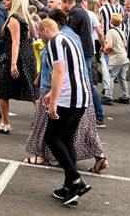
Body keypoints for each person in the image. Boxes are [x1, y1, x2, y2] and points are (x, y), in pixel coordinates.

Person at [37, 18, 93, 205]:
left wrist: (53, 102)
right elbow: (69, 71)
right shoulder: (69, 38)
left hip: (68, 99)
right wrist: (52, 94)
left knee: (51, 138)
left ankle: (76, 180)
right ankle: (69, 186)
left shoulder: (54, 42)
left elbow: (59, 72)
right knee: (66, 139)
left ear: (45, 29)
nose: (39, 37)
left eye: (39, 32)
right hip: (81, 97)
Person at [0, 0, 38, 134]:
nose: (4, 2)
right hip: (28, 56)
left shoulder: (14, 19)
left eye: (7, 0)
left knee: (1, 89)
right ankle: (45, 122)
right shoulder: (25, 18)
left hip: (18, 57)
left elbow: (15, 42)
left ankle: (5, 124)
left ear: (15, 2)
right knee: (32, 89)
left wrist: (13, 64)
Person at [102, 13, 129, 104]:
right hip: (124, 56)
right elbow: (125, 44)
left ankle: (108, 96)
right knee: (122, 78)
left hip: (116, 58)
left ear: (110, 22)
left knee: (110, 77)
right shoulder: (121, 31)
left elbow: (109, 45)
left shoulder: (110, 32)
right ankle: (125, 96)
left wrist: (104, 50)